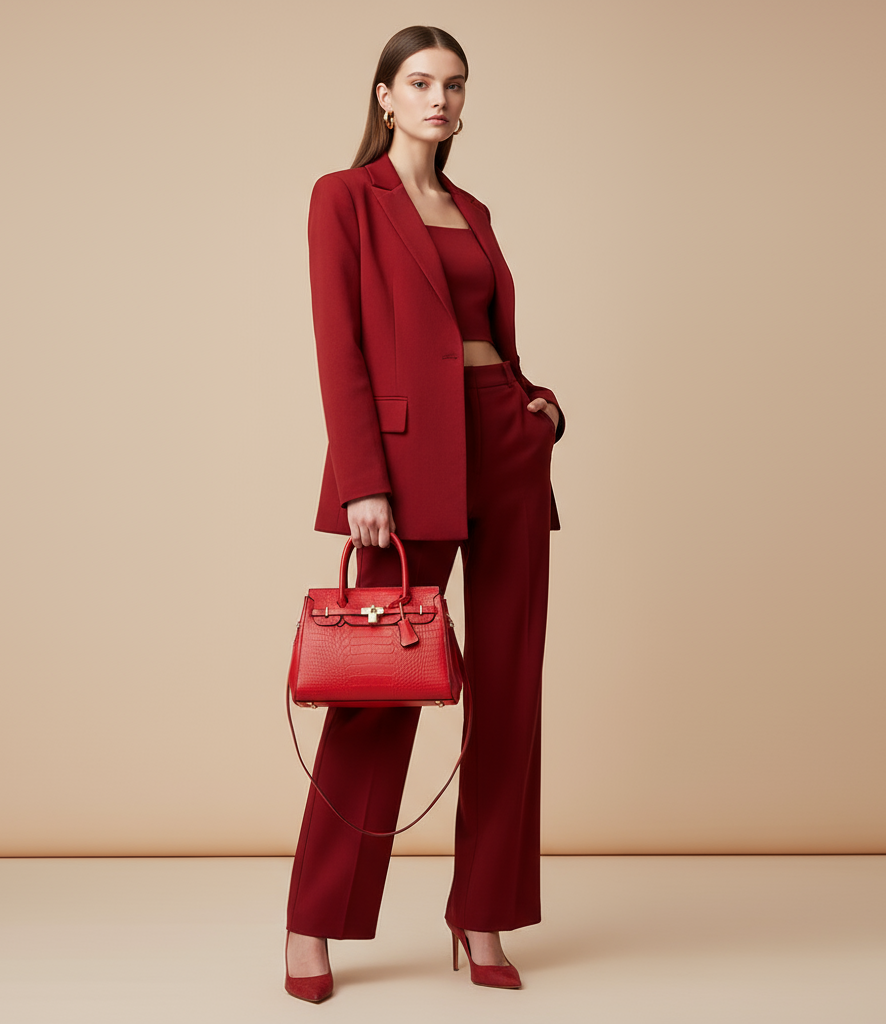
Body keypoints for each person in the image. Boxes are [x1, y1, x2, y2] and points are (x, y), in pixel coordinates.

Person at [284, 25, 566, 1002]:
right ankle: (313, 920)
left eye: (453, 84)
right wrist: (363, 476)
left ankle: (481, 913)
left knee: (508, 691)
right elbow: (340, 347)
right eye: (419, 82)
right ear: (385, 96)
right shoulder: (343, 200)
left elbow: (483, 335)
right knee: (376, 692)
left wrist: (539, 406)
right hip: (405, 469)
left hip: (506, 450)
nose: (438, 98)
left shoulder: (473, 208)